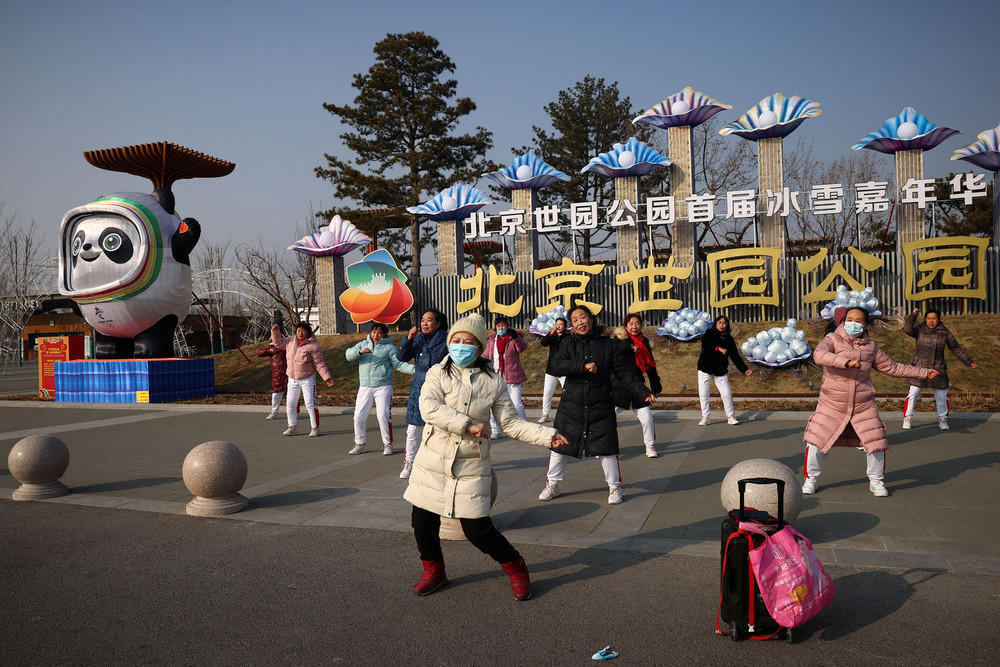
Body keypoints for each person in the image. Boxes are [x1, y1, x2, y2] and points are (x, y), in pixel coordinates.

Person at [403, 313, 569, 601]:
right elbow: (428, 407)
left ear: (479, 348)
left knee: (477, 529)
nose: (460, 346)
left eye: (468, 342)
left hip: (471, 463)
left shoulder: (494, 382)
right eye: (456, 340)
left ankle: (516, 566)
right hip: (432, 460)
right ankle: (434, 571)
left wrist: (547, 436)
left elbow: (512, 423)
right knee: (422, 520)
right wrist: (468, 424)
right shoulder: (436, 373)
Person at [802, 307, 939, 498]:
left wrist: (924, 372)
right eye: (849, 319)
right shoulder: (832, 339)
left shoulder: (871, 347)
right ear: (842, 322)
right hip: (832, 403)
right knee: (815, 440)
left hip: (863, 405)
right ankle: (811, 479)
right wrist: (846, 362)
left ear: (866, 324)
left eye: (858, 320)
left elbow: (893, 367)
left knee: (876, 442)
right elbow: (819, 355)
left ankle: (876, 481)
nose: (853, 323)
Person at [539, 305, 654, 505]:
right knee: (559, 447)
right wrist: (581, 367)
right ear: (572, 326)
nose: (579, 322)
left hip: (601, 405)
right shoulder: (566, 342)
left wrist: (643, 391)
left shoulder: (608, 345)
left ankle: (615, 487)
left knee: (607, 448)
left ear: (591, 319)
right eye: (574, 320)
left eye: (582, 317)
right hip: (571, 406)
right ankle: (552, 484)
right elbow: (556, 365)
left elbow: (624, 373)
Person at [345, 323, 415, 455]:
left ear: (384, 334)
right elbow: (348, 355)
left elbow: (398, 364)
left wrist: (415, 370)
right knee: (358, 416)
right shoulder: (362, 344)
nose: (376, 335)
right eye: (374, 332)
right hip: (365, 386)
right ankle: (359, 443)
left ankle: (387, 444)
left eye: (379, 333)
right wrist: (359, 352)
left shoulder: (389, 348)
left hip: (383, 386)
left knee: (382, 415)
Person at [901, 308, 976, 431]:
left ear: (938, 319)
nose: (931, 321)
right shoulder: (920, 329)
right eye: (929, 318)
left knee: (941, 396)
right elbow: (907, 329)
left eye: (934, 318)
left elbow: (956, 348)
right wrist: (914, 315)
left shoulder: (944, 332)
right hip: (919, 367)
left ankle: (943, 419)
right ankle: (907, 418)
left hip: (938, 368)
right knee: (913, 394)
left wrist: (968, 361)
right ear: (925, 319)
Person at [396, 310, 449, 479]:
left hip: (439, 390)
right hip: (418, 389)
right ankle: (409, 462)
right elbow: (401, 357)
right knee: (413, 430)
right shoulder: (418, 339)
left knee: (438, 431)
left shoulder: (447, 340)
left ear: (438, 323)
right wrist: (408, 338)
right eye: (423, 320)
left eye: (429, 320)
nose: (424, 323)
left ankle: (439, 464)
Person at [270, 321, 334, 437]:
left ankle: (315, 428)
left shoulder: (313, 346)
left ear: (308, 333)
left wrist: (327, 377)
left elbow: (319, 363)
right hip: (292, 379)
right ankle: (292, 426)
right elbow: (278, 344)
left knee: (310, 404)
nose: (300, 332)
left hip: (307, 379)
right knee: (290, 403)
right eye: (298, 330)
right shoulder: (290, 341)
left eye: (303, 330)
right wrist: (275, 331)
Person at [612, 314, 662, 458]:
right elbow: (618, 349)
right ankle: (606, 447)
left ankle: (650, 446)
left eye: (637, 323)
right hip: (618, 386)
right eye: (631, 324)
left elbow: (650, 365)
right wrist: (630, 347)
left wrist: (656, 387)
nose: (634, 326)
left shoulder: (644, 341)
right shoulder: (619, 339)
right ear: (625, 326)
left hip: (638, 386)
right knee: (607, 418)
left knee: (647, 418)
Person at [697, 315, 752, 426]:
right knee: (704, 394)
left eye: (724, 323)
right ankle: (705, 417)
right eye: (719, 323)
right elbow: (706, 346)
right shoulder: (709, 333)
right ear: (716, 324)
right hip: (705, 368)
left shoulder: (729, 339)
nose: (722, 325)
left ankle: (731, 417)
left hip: (720, 369)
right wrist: (718, 348)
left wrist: (744, 369)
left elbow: (735, 356)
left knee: (726, 393)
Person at [483, 318, 528, 439]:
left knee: (516, 403)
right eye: (498, 327)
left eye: (503, 326)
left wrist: (516, 338)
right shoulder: (493, 340)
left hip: (513, 375)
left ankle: (524, 428)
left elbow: (522, 348)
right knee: (493, 403)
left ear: (507, 327)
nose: (501, 329)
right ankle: (496, 430)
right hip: (496, 376)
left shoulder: (512, 338)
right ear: (495, 328)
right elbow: (486, 355)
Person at [537, 317, 568, 423]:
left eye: (561, 324)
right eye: (557, 324)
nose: (558, 326)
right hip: (551, 370)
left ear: (565, 326)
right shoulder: (552, 336)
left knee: (568, 393)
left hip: (564, 370)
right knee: (547, 393)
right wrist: (551, 333)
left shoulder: (569, 337)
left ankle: (569, 414)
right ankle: (545, 414)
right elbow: (543, 343)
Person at [257, 340, 288, 420]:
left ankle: (295, 412)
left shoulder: (286, 346)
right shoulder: (271, 348)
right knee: (276, 395)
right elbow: (259, 353)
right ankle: (274, 412)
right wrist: (268, 350)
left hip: (289, 374)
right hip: (277, 376)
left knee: (293, 395)